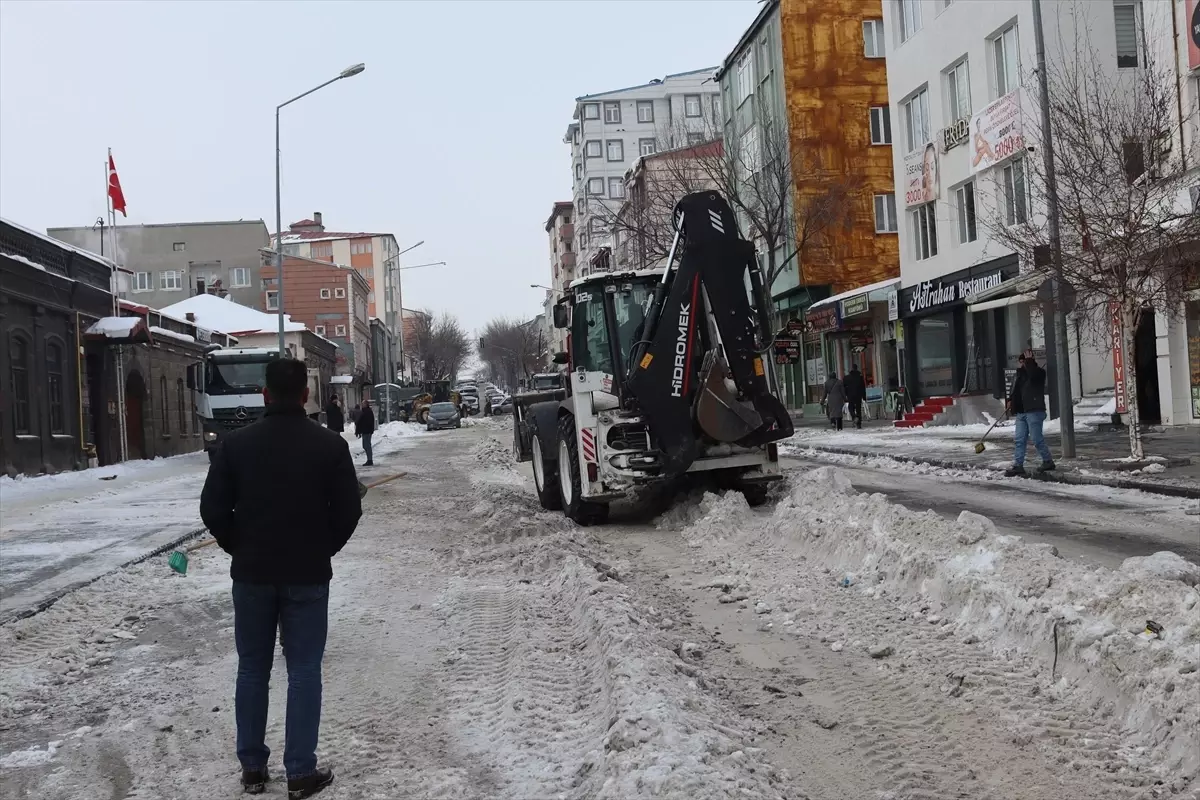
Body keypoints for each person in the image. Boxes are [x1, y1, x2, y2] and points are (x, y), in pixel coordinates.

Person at [199, 358, 362, 799]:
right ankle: (300, 773)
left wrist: (238, 545)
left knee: (252, 668)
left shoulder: (236, 445)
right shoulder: (329, 446)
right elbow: (349, 510)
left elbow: (212, 509)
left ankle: (253, 768)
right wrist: (322, 547)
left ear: (265, 394)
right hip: (307, 573)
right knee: (304, 669)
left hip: (252, 573)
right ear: (306, 395)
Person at [1004, 348, 1055, 477]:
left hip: (1034, 410)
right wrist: (1010, 401)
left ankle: (1048, 460)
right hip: (1021, 412)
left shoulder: (1039, 373)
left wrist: (1029, 363)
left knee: (1036, 439)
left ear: (1031, 361)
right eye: (1021, 362)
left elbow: (1032, 376)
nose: (1023, 364)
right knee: (1020, 440)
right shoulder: (1020, 375)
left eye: (1025, 361)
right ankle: (1018, 465)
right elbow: (1016, 391)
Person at [843, 364, 867, 429]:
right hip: (858, 395)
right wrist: (864, 396)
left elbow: (844, 387)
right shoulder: (860, 377)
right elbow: (863, 387)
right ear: (857, 368)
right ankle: (859, 424)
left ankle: (854, 417)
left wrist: (845, 395)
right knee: (858, 409)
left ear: (851, 369)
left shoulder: (847, 378)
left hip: (850, 395)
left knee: (851, 407)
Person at [355, 399, 375, 467]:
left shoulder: (368, 412)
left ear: (366, 404)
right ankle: (369, 459)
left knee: (367, 445)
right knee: (365, 445)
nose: (362, 405)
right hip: (365, 431)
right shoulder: (363, 411)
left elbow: (367, 422)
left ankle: (370, 460)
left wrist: (368, 429)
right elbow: (360, 422)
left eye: (363, 404)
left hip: (367, 431)